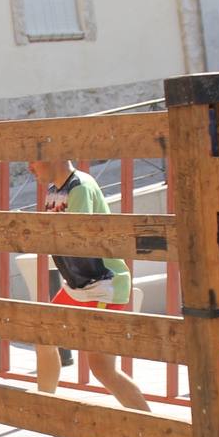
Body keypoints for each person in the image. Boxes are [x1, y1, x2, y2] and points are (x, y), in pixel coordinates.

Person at [29, 159, 151, 417]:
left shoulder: (80, 187)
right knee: (44, 337)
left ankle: (149, 429)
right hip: (79, 285)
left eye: (35, 159)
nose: (30, 167)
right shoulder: (55, 190)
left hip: (103, 285)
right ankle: (44, 411)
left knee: (101, 367)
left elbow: (74, 237)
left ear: (55, 153)